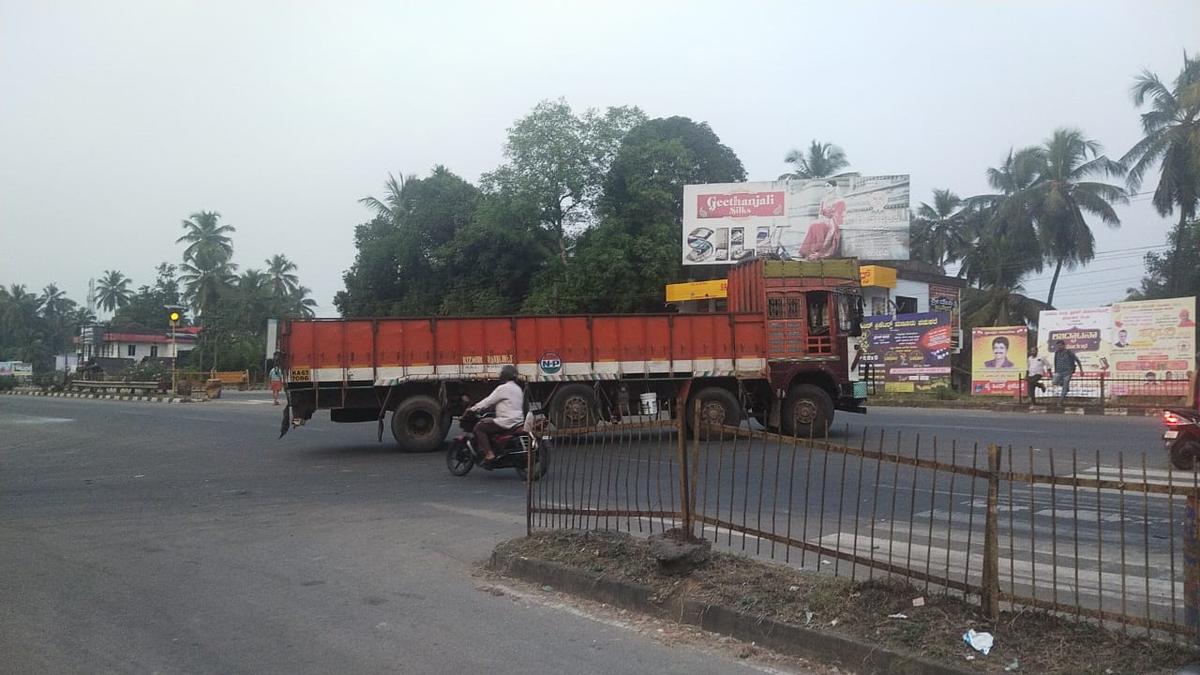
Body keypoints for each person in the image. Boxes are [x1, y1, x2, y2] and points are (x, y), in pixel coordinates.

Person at [469, 364, 525, 462]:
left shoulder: (502, 388)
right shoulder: (518, 389)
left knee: (479, 428)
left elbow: (488, 401)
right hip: (518, 421)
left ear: (504, 376)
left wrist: (473, 409)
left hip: (506, 421)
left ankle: (489, 453)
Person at [797, 183, 845, 260]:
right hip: (824, 220)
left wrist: (830, 221)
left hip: (832, 222)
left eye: (828, 186)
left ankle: (819, 250)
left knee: (817, 225)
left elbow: (838, 215)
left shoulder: (839, 200)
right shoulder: (824, 199)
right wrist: (822, 220)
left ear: (834, 187)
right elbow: (820, 213)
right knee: (814, 225)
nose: (826, 188)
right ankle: (807, 251)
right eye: (825, 186)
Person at [1052, 340, 1083, 405]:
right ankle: (1066, 387)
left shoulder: (1069, 352)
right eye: (1058, 346)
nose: (1059, 347)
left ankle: (1060, 402)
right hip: (1059, 372)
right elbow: (1055, 361)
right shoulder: (1057, 353)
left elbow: (1077, 360)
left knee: (1065, 387)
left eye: (1060, 345)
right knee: (1054, 381)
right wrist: (1055, 371)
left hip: (1068, 372)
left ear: (1064, 345)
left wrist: (1081, 370)